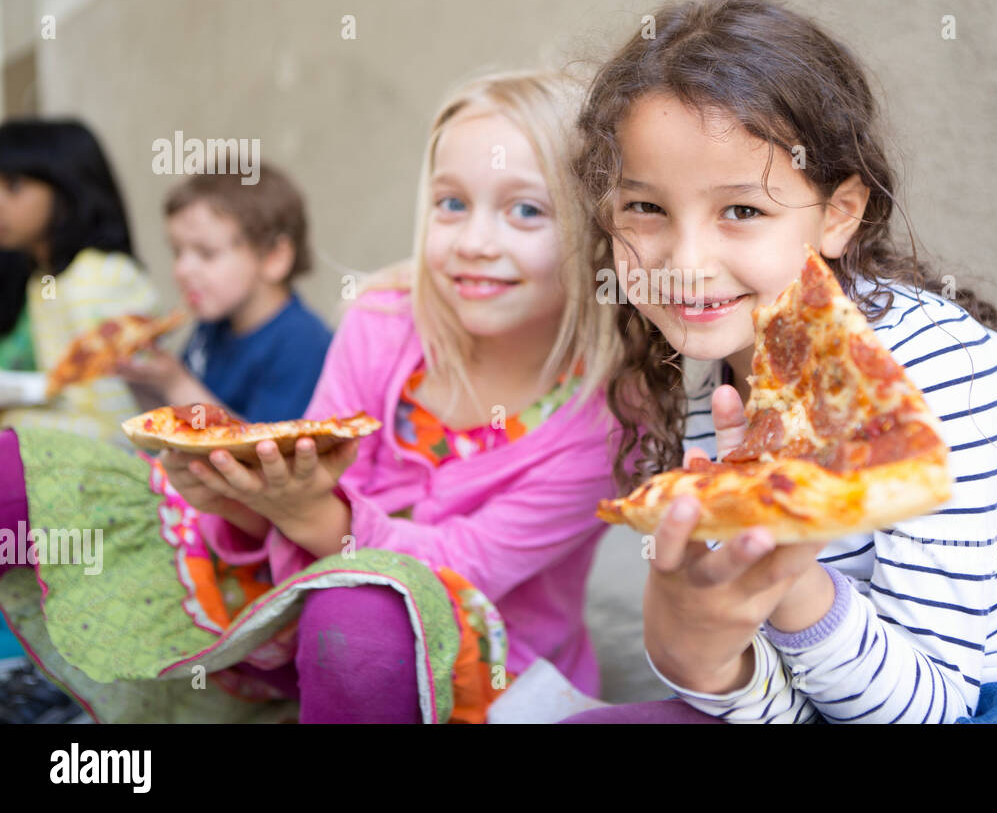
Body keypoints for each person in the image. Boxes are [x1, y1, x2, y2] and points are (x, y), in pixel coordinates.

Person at [565, 0, 997, 724]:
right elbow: (787, 711)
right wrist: (708, 661)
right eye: (646, 207)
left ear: (839, 214)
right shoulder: (709, 398)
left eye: (743, 210)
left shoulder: (935, 377)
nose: (686, 259)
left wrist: (789, 583)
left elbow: (931, 714)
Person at [0, 69, 625, 724]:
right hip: (291, 586)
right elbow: (308, 472)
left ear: (593, 228)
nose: (474, 241)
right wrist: (240, 502)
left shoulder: (603, 421)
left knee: (352, 613)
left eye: (526, 210)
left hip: (470, 650)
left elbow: (459, 570)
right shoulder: (382, 318)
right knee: (21, 473)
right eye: (452, 204)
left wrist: (312, 517)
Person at [116, 164, 332, 422]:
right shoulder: (212, 326)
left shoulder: (302, 343)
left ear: (274, 257)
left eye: (207, 253)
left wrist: (175, 383)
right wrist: (142, 380)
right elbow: (179, 421)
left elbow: (263, 449)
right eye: (177, 252)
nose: (181, 270)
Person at [0, 119, 158, 447]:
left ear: (66, 190)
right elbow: (61, 394)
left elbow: (124, 428)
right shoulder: (43, 279)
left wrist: (14, 421)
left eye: (13, 186)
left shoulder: (101, 275)